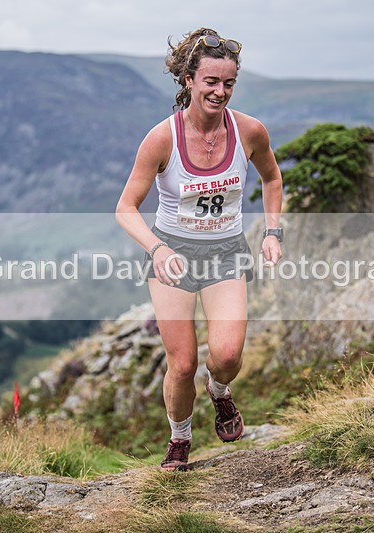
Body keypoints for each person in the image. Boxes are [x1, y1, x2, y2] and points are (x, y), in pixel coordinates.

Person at [116, 28, 283, 471]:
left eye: (228, 83)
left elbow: (271, 178)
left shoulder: (249, 131)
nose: (220, 92)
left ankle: (221, 392)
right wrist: (155, 249)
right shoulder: (161, 138)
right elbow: (126, 209)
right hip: (173, 253)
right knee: (184, 362)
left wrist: (271, 232)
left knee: (226, 356)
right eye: (211, 82)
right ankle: (180, 437)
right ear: (188, 79)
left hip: (227, 250)